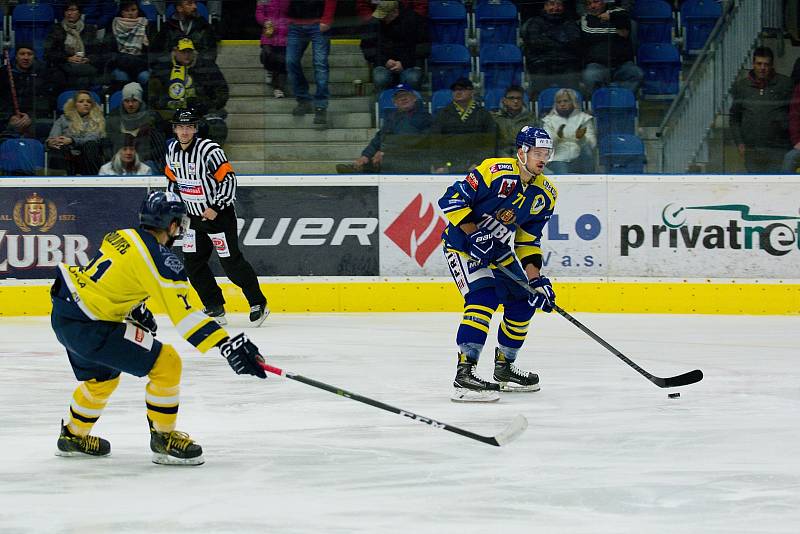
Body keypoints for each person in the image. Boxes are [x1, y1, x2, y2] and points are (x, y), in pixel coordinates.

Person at [51, 191, 267, 465]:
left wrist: (136, 309)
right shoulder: (163, 260)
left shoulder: (121, 235)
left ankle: (73, 436)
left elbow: (115, 276)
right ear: (173, 225)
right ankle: (164, 439)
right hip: (93, 323)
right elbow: (185, 316)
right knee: (167, 363)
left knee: (101, 380)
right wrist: (226, 344)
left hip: (65, 312)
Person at [437, 126, 558, 402]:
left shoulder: (545, 194)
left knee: (525, 298)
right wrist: (475, 234)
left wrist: (536, 279)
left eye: (546, 154)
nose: (542, 159)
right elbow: (450, 200)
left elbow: (528, 242)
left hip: (499, 250)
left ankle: (505, 367)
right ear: (521, 152)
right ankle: (465, 373)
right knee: (484, 295)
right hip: (463, 246)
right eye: (537, 153)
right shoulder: (495, 171)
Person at [165, 108, 269, 326]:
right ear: (174, 129)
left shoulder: (210, 150)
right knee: (193, 265)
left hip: (218, 218)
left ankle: (258, 302)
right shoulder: (172, 150)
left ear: (195, 128)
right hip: (192, 220)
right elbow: (172, 182)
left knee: (231, 263)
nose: (184, 131)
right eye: (180, 127)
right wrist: (175, 208)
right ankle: (214, 306)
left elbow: (229, 180)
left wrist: (216, 206)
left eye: (189, 127)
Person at [337, 83, 432, 173]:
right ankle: (358, 168)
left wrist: (386, 153)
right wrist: (366, 155)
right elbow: (379, 138)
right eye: (399, 97)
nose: (403, 98)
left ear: (414, 98)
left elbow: (410, 140)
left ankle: (361, 170)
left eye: (406, 95)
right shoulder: (392, 118)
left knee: (381, 163)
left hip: (415, 159)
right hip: (392, 157)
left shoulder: (425, 118)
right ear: (395, 102)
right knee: (369, 162)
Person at [149, 38, 230, 144]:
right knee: (150, 120)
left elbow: (222, 91)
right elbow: (152, 92)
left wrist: (207, 105)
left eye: (189, 52)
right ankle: (162, 156)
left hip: (200, 113)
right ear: (175, 51)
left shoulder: (207, 66)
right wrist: (161, 103)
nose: (186, 55)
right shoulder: (162, 68)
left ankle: (209, 156)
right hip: (170, 113)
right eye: (183, 52)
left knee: (216, 125)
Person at [730, 46, 793, 174]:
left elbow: (795, 114)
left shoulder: (786, 84)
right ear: (753, 64)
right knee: (756, 188)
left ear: (772, 65)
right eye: (759, 63)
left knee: (776, 188)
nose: (762, 68)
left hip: (778, 150)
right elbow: (734, 117)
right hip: (752, 151)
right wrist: (739, 142)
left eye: (766, 64)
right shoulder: (742, 86)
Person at [286, 0, 337, 128]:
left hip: (317, 22)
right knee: (291, 61)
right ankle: (303, 99)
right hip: (295, 23)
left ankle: (320, 106)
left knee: (320, 64)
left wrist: (327, 18)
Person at [429, 77, 497, 173]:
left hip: (476, 165)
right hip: (449, 165)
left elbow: (490, 142)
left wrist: (480, 162)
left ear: (472, 92)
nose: (458, 92)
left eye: (462, 89)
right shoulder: (443, 114)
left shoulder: (483, 114)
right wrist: (439, 164)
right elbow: (435, 141)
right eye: (455, 90)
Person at [359, 1, 428, 92]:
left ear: (395, 12)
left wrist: (404, 63)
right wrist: (385, 61)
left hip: (410, 64)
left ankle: (413, 104)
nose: (382, 18)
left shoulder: (414, 21)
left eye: (385, 15)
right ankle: (382, 104)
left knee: (412, 78)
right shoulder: (375, 22)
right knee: (380, 78)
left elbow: (423, 48)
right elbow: (367, 47)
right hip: (383, 64)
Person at [520, 0, 582, 99]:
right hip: (541, 62)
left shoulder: (570, 22)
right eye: (551, 4)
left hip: (566, 63)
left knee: (572, 93)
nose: (555, 8)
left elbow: (574, 41)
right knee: (540, 91)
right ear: (545, 6)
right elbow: (535, 42)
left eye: (559, 4)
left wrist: (547, 36)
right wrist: (561, 40)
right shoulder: (535, 22)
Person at [579, 0, 643, 95]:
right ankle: (602, 102)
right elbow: (589, 33)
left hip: (622, 64)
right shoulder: (585, 18)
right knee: (589, 76)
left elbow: (624, 32)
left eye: (596, 2)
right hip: (597, 65)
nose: (592, 6)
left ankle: (622, 101)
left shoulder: (619, 12)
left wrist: (612, 17)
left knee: (636, 73)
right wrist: (614, 30)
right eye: (589, 4)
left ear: (604, 2)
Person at [43, 1, 108, 93]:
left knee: (84, 78)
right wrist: (68, 58)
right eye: (67, 10)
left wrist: (88, 59)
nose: (69, 13)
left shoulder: (90, 29)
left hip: (85, 64)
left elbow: (98, 53)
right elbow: (48, 53)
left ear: (79, 12)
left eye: (73, 10)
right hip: (63, 66)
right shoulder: (56, 29)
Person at [0, 43, 60, 141]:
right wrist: (9, 117)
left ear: (34, 56)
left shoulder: (43, 74)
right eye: (22, 54)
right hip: (8, 117)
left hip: (33, 117)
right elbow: (2, 100)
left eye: (29, 54)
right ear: (16, 56)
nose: (26, 57)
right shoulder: (3, 73)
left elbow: (45, 100)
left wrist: (30, 116)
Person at [106, 82, 169, 173]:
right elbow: (108, 145)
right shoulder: (113, 118)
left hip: (146, 160)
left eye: (134, 100)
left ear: (140, 101)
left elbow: (160, 147)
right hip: (118, 160)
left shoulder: (152, 117)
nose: (130, 104)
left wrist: (138, 158)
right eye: (127, 101)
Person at [45, 90, 110, 175]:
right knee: (59, 147)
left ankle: (92, 181)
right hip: (67, 154)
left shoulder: (98, 119)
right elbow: (52, 137)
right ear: (74, 105)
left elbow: (94, 138)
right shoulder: (63, 119)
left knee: (90, 145)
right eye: (81, 101)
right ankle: (61, 181)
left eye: (89, 102)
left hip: (89, 155)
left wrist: (72, 140)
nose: (86, 104)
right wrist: (51, 142)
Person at [541, 88, 596, 173]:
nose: (562, 104)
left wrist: (581, 138)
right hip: (558, 159)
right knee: (563, 171)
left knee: (587, 150)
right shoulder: (549, 120)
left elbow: (593, 144)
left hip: (579, 158)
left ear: (573, 102)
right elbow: (545, 145)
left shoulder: (584, 118)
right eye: (559, 102)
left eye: (565, 101)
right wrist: (557, 136)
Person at [150, 0, 219, 66]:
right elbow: (156, 54)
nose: (195, 7)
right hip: (171, 69)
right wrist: (174, 56)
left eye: (195, 3)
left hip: (199, 68)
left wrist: (193, 57)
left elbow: (211, 53)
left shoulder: (204, 26)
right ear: (179, 8)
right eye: (189, 4)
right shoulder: (168, 27)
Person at [105, 0, 151, 90]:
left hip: (141, 65)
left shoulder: (146, 25)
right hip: (120, 64)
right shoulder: (112, 25)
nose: (130, 13)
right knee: (121, 77)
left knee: (146, 77)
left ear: (138, 10)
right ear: (121, 12)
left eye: (133, 10)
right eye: (126, 10)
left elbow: (152, 50)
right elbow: (108, 50)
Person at [256, 0, 290, 98]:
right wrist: (265, 22)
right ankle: (269, 68)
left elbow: (295, 12)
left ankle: (278, 88)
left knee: (282, 62)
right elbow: (259, 12)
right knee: (266, 54)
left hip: (286, 34)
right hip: (269, 33)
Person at [493, 85, 538, 157]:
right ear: (504, 101)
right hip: (500, 156)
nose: (516, 101)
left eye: (519, 98)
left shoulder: (531, 119)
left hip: (523, 156)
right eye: (511, 98)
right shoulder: (496, 118)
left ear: (522, 100)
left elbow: (534, 143)